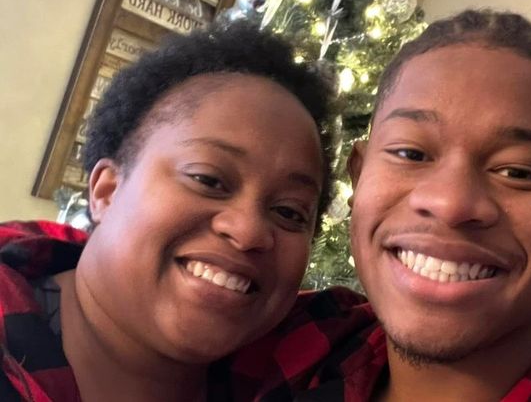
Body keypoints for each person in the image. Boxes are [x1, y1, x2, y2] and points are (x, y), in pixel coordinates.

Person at [231, 9, 531, 401]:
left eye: (518, 172)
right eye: (410, 153)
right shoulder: (286, 338)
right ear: (358, 175)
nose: (450, 204)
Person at [0, 20, 335, 401]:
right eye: (208, 179)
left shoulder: (302, 373)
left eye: (290, 212)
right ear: (106, 191)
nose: (248, 231)